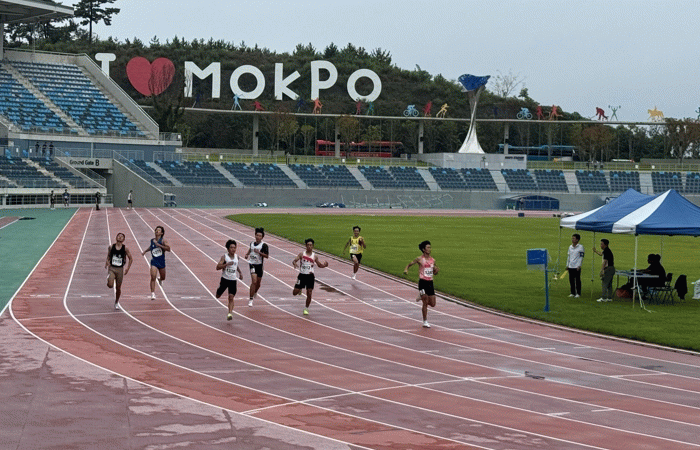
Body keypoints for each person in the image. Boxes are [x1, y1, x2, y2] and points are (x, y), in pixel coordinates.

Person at [404, 240, 440, 328]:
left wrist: (436, 271)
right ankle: (425, 321)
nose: (430, 249)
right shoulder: (419, 259)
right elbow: (410, 264)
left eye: (430, 247)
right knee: (425, 301)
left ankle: (421, 295)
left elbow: (435, 272)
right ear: (423, 249)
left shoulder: (433, 260)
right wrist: (406, 269)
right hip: (422, 282)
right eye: (428, 247)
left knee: (433, 304)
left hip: (430, 282)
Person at [292, 238, 329, 316]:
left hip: (310, 276)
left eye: (311, 245)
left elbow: (319, 265)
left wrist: (324, 265)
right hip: (302, 276)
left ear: (313, 246)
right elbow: (294, 260)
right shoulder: (301, 254)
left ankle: (306, 308)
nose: (309, 246)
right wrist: (294, 263)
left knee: (309, 293)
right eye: (308, 245)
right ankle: (300, 289)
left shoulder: (314, 256)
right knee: (294, 293)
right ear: (306, 246)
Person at [216, 239, 243, 321]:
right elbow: (217, 267)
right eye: (231, 247)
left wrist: (240, 272)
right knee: (218, 296)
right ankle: (219, 290)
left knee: (231, 297)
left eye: (234, 247)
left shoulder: (237, 257)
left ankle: (230, 313)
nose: (233, 249)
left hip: (233, 280)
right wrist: (226, 264)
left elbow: (236, 265)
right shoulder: (224, 257)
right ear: (228, 249)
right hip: (225, 279)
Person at [105, 232, 133, 310]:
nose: (120, 237)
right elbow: (108, 256)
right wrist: (106, 262)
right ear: (116, 237)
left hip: (120, 269)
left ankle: (116, 302)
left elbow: (131, 259)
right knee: (110, 285)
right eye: (119, 236)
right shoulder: (111, 247)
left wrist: (127, 268)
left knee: (118, 288)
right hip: (112, 268)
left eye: (122, 237)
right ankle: (109, 279)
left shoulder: (125, 248)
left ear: (123, 239)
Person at [142, 225, 170, 299]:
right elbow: (151, 247)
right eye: (156, 230)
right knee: (153, 277)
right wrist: (145, 251)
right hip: (154, 261)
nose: (157, 231)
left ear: (162, 233)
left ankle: (160, 279)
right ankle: (152, 293)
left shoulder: (163, 240)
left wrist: (159, 245)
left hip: (161, 261)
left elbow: (168, 249)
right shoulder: (152, 240)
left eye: (159, 230)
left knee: (163, 277)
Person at [244, 227, 269, 307]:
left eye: (260, 236)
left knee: (258, 283)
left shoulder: (264, 245)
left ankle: (255, 292)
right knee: (254, 281)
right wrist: (247, 254)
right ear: (255, 235)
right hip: (252, 264)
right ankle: (251, 299)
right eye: (257, 235)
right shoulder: (251, 243)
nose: (258, 237)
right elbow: (250, 249)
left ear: (262, 237)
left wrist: (259, 253)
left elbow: (267, 256)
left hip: (259, 265)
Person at [566, 233, 584, 297]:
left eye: (574, 238)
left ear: (577, 240)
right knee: (571, 280)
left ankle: (578, 293)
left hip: (576, 266)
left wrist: (579, 265)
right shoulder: (570, 247)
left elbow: (581, 257)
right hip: (571, 265)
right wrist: (567, 265)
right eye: (572, 238)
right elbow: (569, 256)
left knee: (577, 280)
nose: (572, 239)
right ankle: (572, 292)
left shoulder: (580, 247)